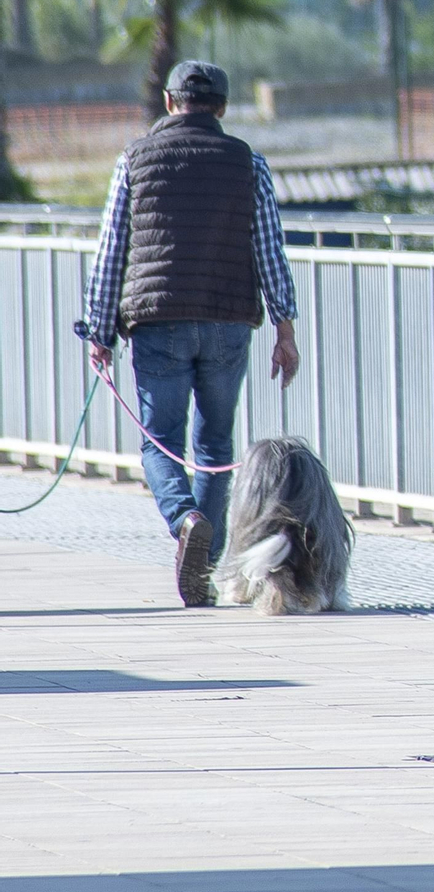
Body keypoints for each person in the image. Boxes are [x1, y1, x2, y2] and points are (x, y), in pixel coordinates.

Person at [75, 60, 300, 608]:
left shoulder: (135, 158)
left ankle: (185, 521)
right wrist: (285, 328)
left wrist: (99, 331)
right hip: (228, 321)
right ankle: (203, 565)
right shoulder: (249, 162)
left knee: (160, 440)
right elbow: (269, 249)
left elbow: (111, 253)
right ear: (221, 108)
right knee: (216, 445)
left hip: (158, 321)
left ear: (170, 103)